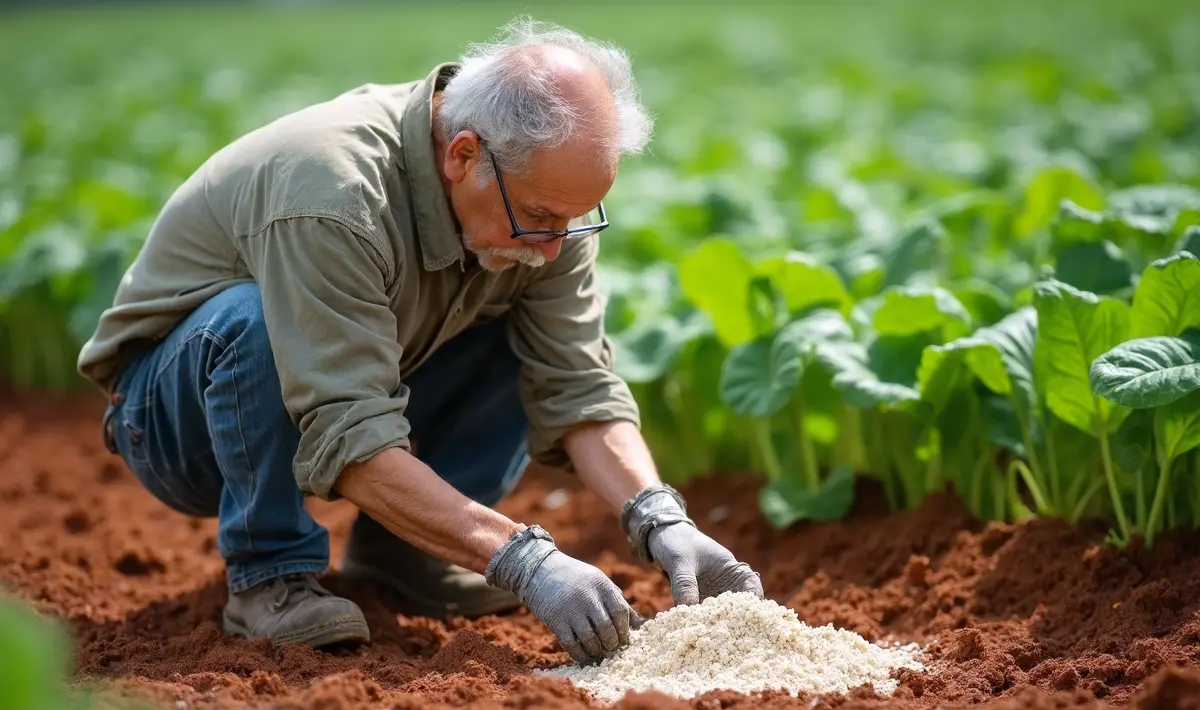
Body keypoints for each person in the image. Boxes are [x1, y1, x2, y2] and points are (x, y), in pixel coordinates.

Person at [76, 17, 763, 666]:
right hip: (177, 422)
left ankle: (405, 558)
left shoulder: (538, 205)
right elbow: (349, 432)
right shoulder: (335, 193)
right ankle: (269, 575)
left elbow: (578, 384)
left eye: (574, 220)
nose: (556, 247)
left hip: (351, 378)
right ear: (465, 155)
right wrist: (524, 558)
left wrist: (659, 516)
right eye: (542, 218)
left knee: (520, 316)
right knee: (249, 319)